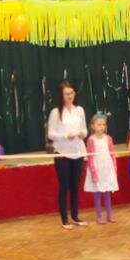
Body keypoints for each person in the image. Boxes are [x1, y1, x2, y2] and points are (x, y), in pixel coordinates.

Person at [47, 81, 87, 229]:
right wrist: (65, 136)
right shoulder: (55, 112)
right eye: (66, 94)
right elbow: (50, 134)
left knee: (75, 186)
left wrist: (82, 134)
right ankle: (64, 218)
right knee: (64, 186)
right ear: (61, 95)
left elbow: (84, 129)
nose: (69, 96)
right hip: (62, 153)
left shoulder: (80, 110)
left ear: (74, 94)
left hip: (78, 152)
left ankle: (75, 216)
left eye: (71, 93)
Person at [83, 114, 118, 224]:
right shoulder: (91, 140)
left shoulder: (108, 138)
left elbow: (112, 154)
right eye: (99, 124)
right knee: (98, 194)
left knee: (107, 193)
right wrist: (94, 173)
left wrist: (114, 168)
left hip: (107, 169)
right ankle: (99, 216)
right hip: (98, 170)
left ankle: (109, 215)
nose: (102, 127)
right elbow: (90, 158)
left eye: (103, 124)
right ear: (93, 126)